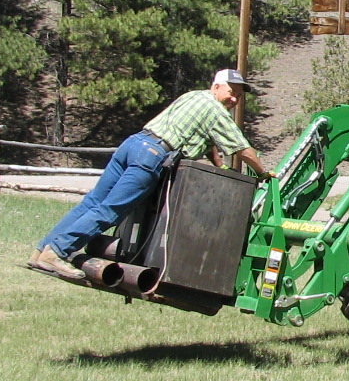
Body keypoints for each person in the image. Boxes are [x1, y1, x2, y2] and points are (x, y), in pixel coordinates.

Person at [29, 69, 269, 281]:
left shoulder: (194, 97)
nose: (234, 99)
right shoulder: (217, 111)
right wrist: (264, 172)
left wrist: (218, 163)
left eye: (238, 95)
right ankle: (58, 252)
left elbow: (206, 139)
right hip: (152, 156)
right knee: (110, 211)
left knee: (93, 202)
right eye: (231, 91)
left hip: (134, 144)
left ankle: (41, 251)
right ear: (216, 86)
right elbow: (242, 148)